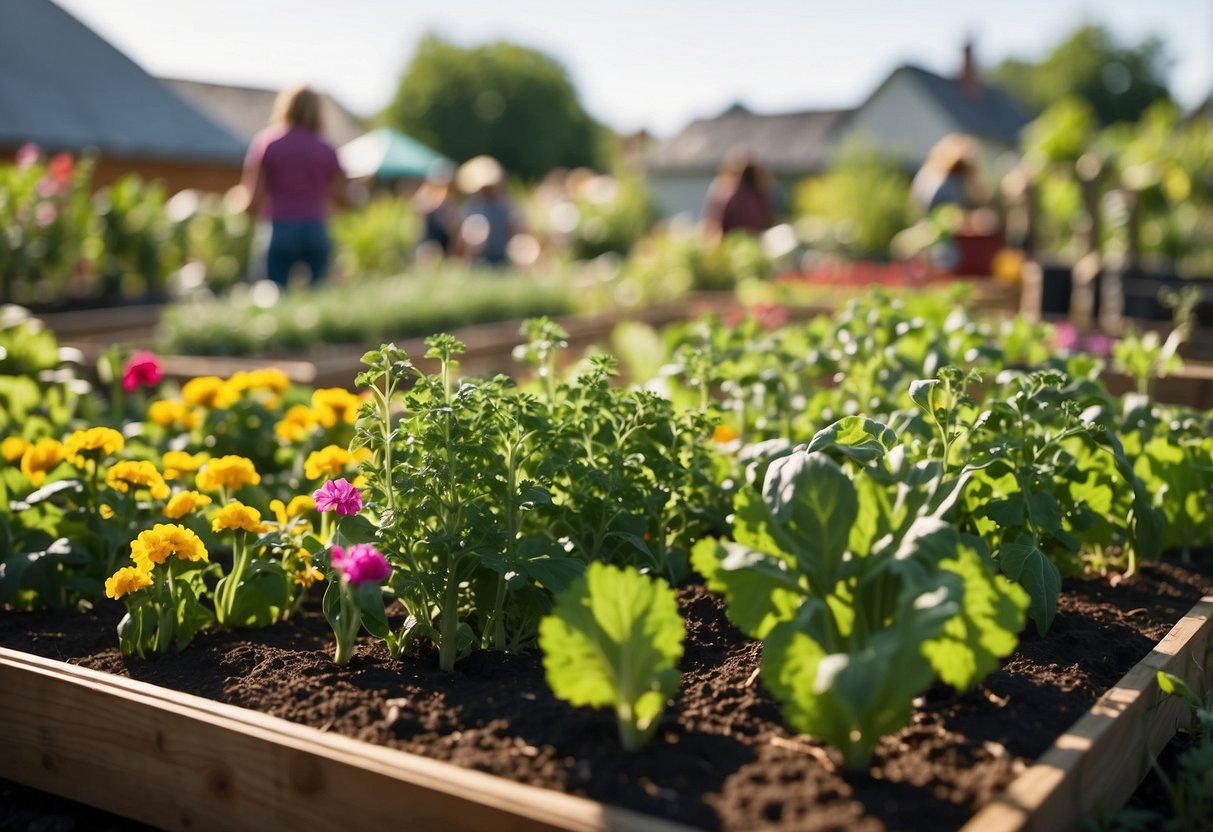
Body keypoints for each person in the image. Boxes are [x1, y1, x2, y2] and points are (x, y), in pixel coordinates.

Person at [241, 84, 350, 286]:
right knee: (318, 296)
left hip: (280, 227)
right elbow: (342, 197)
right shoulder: (325, 148)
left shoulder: (268, 143)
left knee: (274, 294)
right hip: (315, 227)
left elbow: (253, 197)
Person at [456, 155, 521, 267]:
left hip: (500, 255)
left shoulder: (504, 206)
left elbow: (515, 230)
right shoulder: (472, 206)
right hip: (477, 256)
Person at [702, 149, 774, 243]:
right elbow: (713, 222)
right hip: (729, 242)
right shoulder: (724, 191)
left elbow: (766, 219)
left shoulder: (758, 195)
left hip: (750, 242)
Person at [413, 160, 462, 262]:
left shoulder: (451, 202)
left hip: (445, 244)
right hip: (428, 243)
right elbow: (417, 210)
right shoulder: (425, 197)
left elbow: (454, 227)